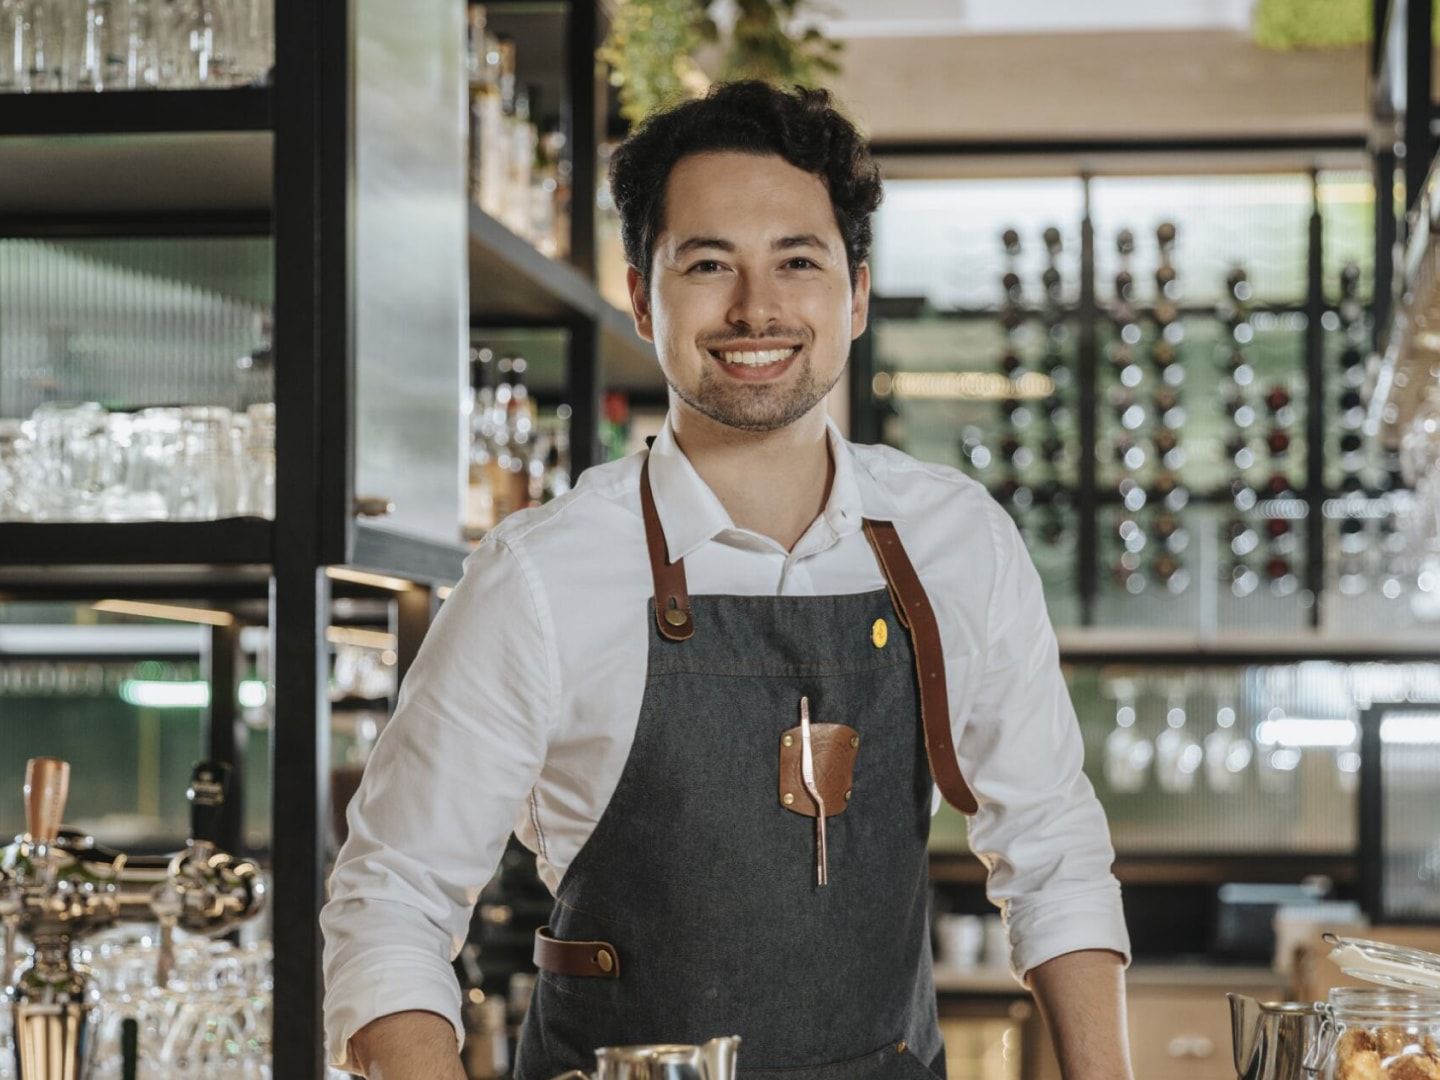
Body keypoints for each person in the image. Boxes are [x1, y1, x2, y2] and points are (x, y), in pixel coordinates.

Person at [322, 80, 1133, 1080]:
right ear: (639, 296)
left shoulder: (954, 537)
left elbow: (1052, 848)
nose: (756, 308)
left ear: (858, 293)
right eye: (708, 265)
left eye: (798, 261)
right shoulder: (537, 577)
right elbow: (391, 903)